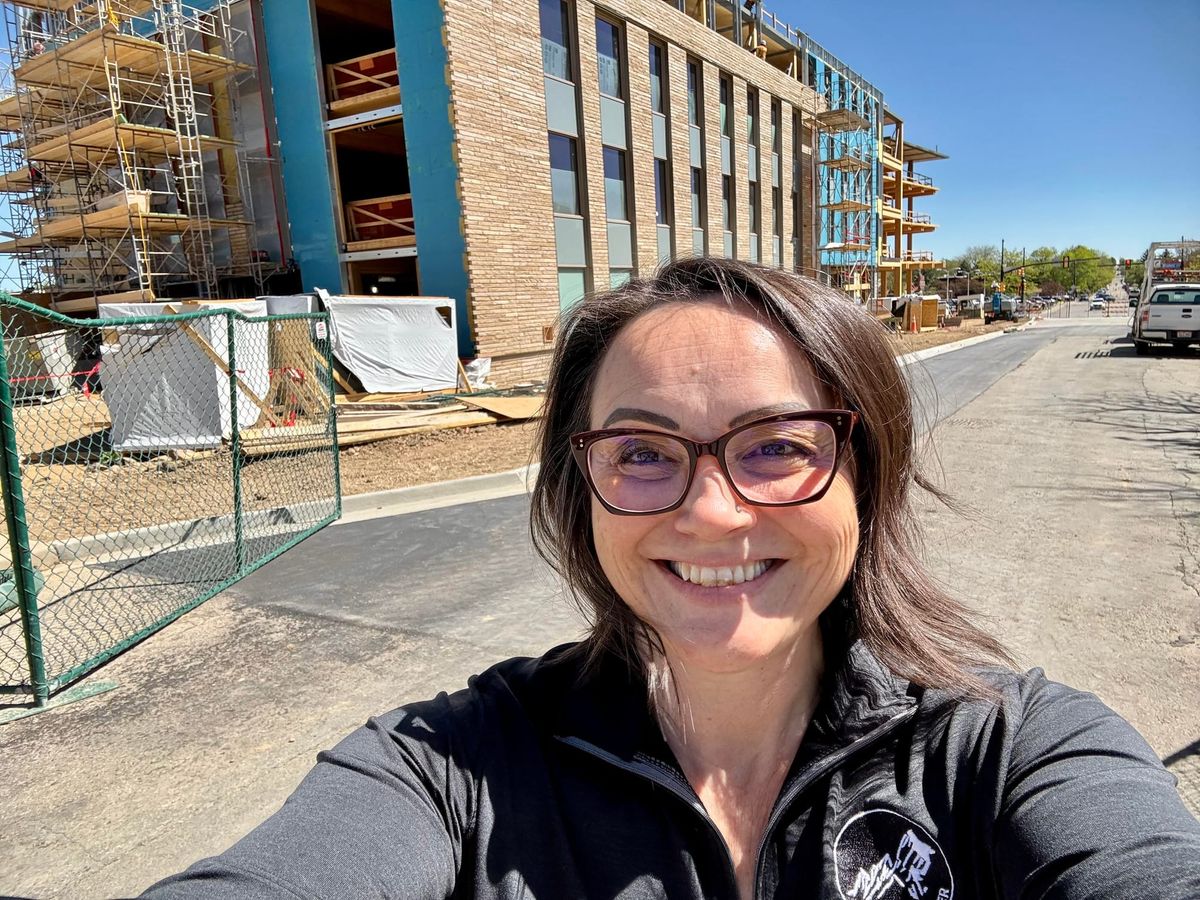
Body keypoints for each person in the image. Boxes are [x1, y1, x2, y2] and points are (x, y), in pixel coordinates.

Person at [144, 258, 1200, 899]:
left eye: (778, 446)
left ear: (863, 477)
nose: (710, 510)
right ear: (584, 486)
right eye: (643, 452)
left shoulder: (1007, 751)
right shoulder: (452, 770)